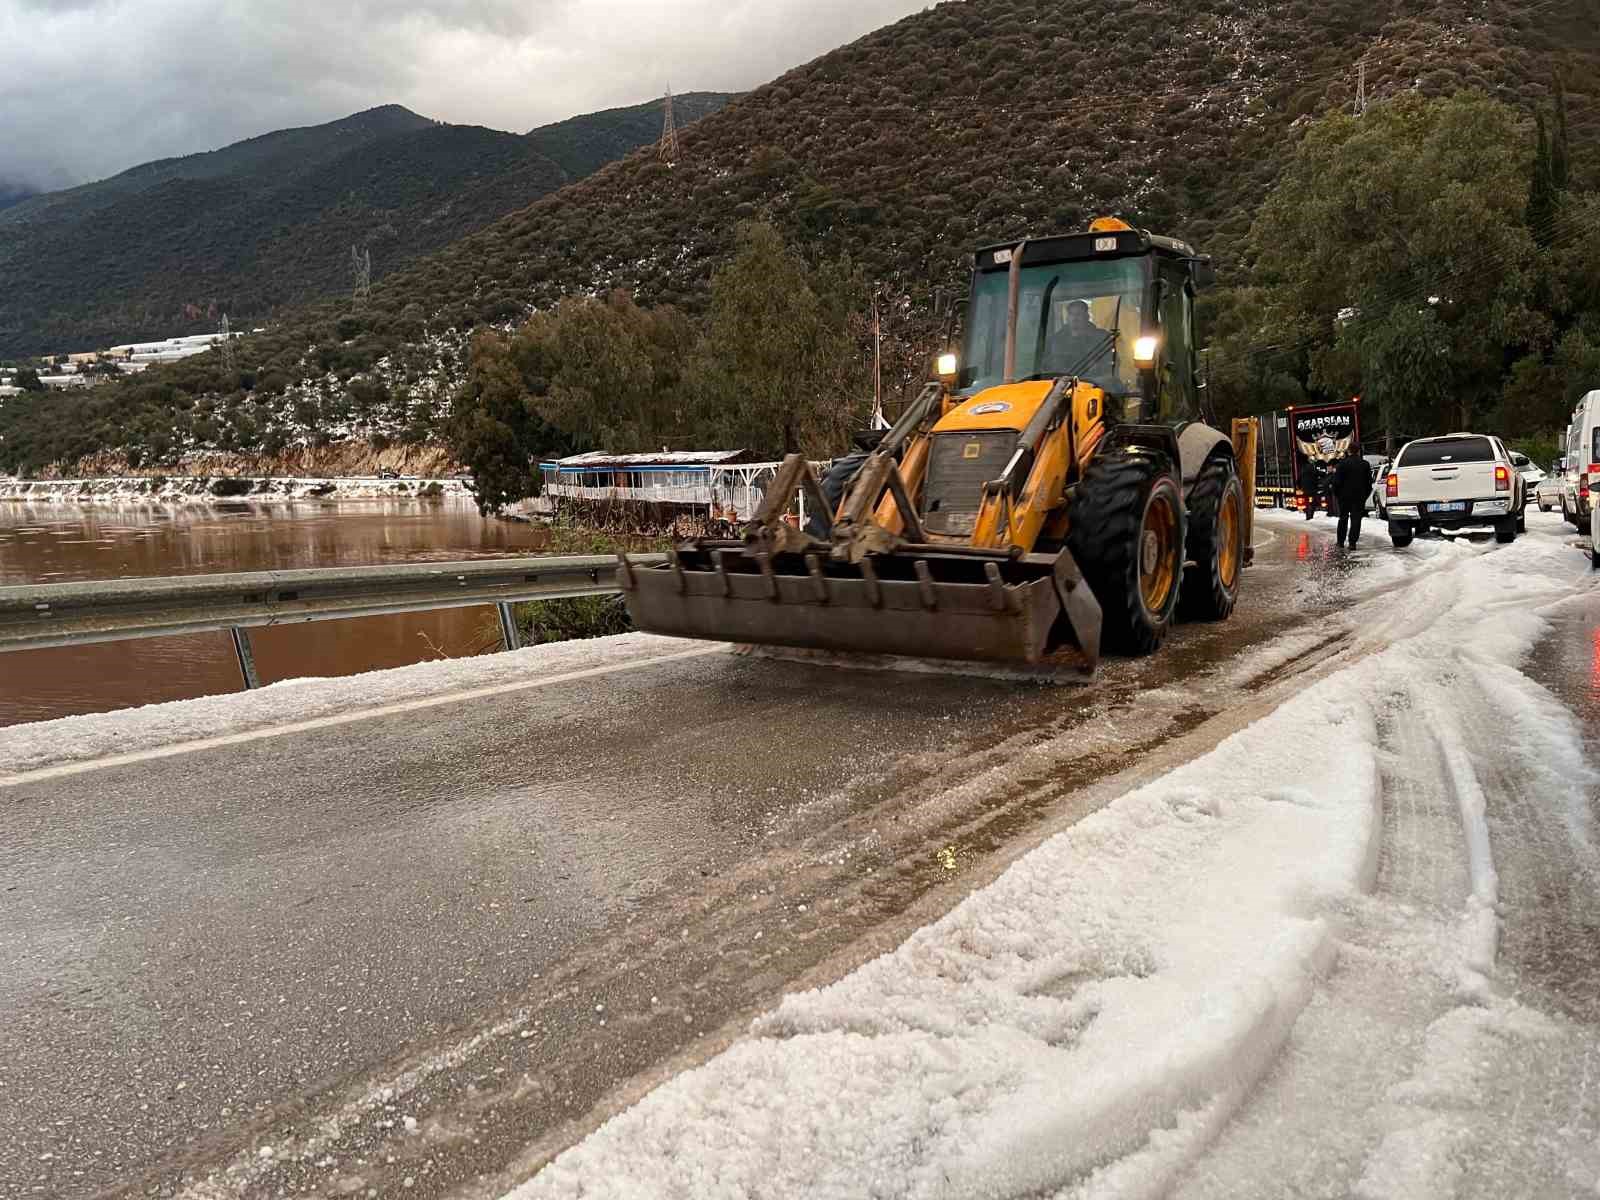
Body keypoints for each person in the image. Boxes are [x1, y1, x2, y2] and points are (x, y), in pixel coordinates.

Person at [1043, 299, 1109, 375]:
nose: (1075, 318)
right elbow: (1046, 364)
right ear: (1067, 318)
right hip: (1061, 382)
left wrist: (1097, 368)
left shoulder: (1101, 337)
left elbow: (1111, 363)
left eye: (1079, 314)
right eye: (1071, 314)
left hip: (1093, 382)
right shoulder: (1055, 340)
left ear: (1087, 316)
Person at [1332, 447, 1376, 547]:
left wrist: (1338, 495)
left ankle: (1340, 541)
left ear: (1349, 451)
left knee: (1343, 518)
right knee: (1356, 519)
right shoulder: (1365, 464)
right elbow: (1369, 483)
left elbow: (1336, 482)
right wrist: (1365, 495)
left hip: (1344, 497)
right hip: (1359, 496)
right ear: (1358, 451)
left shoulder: (1342, 464)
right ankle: (1352, 542)